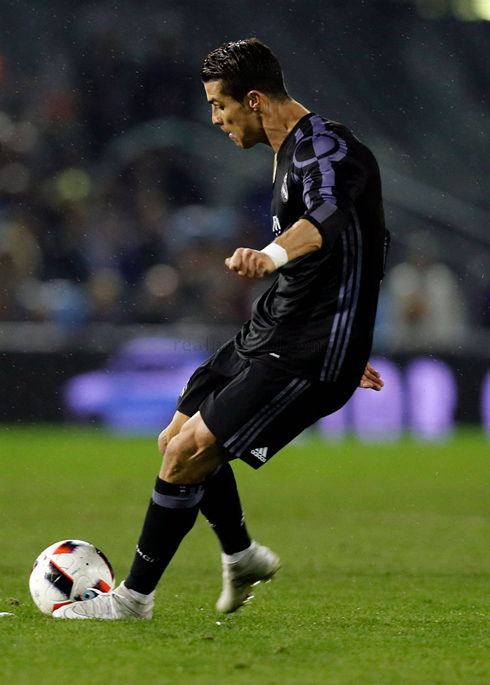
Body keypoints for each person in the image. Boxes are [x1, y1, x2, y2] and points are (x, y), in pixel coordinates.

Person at [54, 38, 389, 620]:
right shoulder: (291, 153)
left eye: (219, 105)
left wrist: (275, 257)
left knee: (185, 456)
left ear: (254, 99)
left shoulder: (327, 148)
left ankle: (133, 600)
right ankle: (241, 556)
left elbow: (332, 220)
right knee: (174, 440)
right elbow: (358, 245)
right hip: (279, 326)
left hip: (308, 344)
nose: (214, 120)